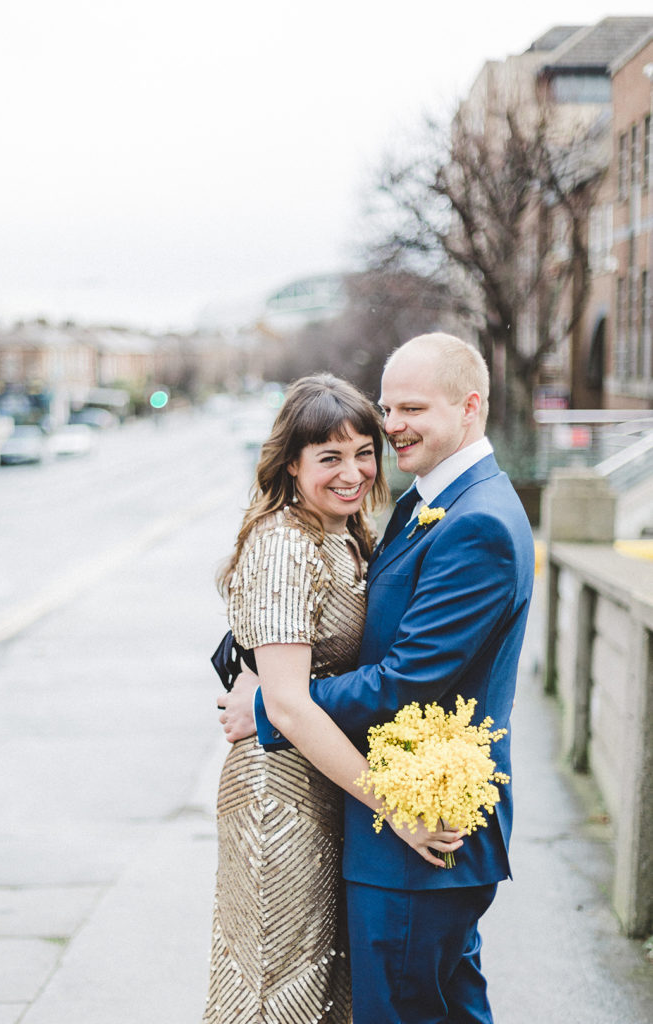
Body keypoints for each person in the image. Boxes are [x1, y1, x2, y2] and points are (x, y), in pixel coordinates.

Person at [221, 333, 536, 1024]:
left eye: (412, 408)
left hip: (419, 822)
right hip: (395, 819)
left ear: (470, 406)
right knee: (444, 1005)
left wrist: (273, 706)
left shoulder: (473, 521)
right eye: (387, 407)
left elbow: (406, 681)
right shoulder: (438, 501)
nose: (391, 426)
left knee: (400, 1010)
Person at [203, 373, 463, 1024]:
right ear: (290, 464)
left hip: (324, 782)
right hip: (276, 795)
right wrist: (397, 809)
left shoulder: (343, 530)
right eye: (328, 457)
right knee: (272, 986)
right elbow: (287, 706)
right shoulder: (285, 545)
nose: (352, 472)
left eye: (362, 452)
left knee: (319, 985)